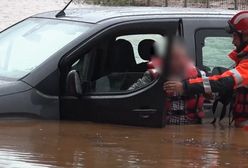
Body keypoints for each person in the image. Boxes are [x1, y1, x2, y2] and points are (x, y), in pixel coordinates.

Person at [164, 11, 248, 127]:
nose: (233, 41)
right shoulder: (243, 61)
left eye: (234, 36)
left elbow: (224, 81)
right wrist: (211, 94)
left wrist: (184, 86)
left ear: (245, 36)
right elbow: (233, 85)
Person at [129, 39, 205, 125]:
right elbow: (131, 93)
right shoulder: (152, 76)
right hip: (165, 126)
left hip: (191, 127)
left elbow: (213, 94)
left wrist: (186, 87)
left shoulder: (199, 75)